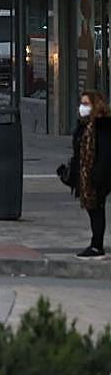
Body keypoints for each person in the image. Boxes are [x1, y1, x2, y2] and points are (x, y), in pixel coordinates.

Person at [71, 91, 111, 258]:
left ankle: (97, 246)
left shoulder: (102, 126)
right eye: (82, 103)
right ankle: (96, 244)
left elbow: (105, 154)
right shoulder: (84, 125)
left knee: (96, 208)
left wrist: (97, 176)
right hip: (88, 174)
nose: (82, 107)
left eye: (86, 104)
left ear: (96, 105)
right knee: (93, 208)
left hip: (99, 176)